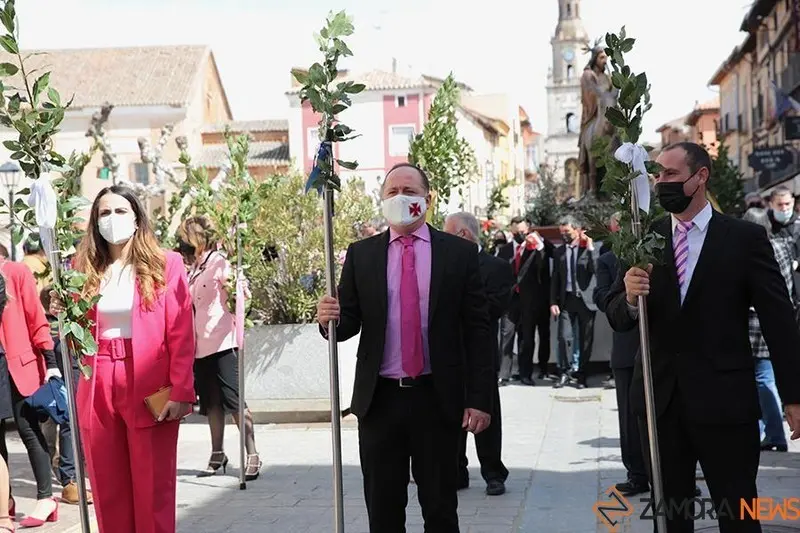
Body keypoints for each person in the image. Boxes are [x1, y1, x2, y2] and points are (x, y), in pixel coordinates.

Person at [604, 142, 800, 533]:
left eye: (672, 175)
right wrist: (628, 295)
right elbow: (617, 314)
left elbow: (780, 320)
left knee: (738, 514)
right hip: (661, 404)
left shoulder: (744, 239)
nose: (662, 184)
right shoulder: (645, 238)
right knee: (672, 518)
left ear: (701, 177)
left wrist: (794, 395)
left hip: (725, 404)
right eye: (658, 176)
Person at [316, 163, 494, 533]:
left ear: (427, 200)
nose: (400, 198)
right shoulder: (362, 255)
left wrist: (478, 398)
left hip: (438, 399)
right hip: (380, 402)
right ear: (382, 200)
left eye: (409, 191)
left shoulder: (458, 255)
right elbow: (347, 324)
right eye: (392, 191)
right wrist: (327, 317)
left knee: (441, 510)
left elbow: (478, 331)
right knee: (383, 512)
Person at [50, 185, 195, 533]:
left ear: (136, 217)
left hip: (148, 380)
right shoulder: (83, 268)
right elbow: (75, 338)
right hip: (98, 379)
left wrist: (180, 390)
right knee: (108, 487)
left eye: (119, 211)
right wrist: (61, 313)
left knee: (153, 488)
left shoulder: (166, 263)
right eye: (103, 213)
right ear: (94, 222)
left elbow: (181, 330)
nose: (111, 219)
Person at [176, 215, 261, 480]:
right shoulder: (196, 267)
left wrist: (239, 287)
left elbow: (239, 293)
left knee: (234, 400)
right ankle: (217, 453)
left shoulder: (220, 262)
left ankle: (252, 453)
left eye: (186, 236)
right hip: (200, 344)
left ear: (198, 237)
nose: (183, 242)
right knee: (210, 403)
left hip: (223, 341)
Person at [444, 212, 513, 496]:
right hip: (448, 352)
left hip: (480, 353)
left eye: (447, 234)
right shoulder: (444, 266)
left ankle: (493, 472)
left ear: (462, 236)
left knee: (485, 412)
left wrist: (466, 307)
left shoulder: (497, 267)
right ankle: (456, 470)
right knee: (451, 412)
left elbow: (495, 307)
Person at [0, 250, 62, 527]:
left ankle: (46, 497)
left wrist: (50, 362)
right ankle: (6, 500)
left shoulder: (16, 272)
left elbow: (36, 318)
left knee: (27, 429)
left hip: (18, 364)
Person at [742, 209, 793, 453]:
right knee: (762, 378)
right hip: (770, 319)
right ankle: (766, 431)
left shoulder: (760, 249)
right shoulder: (782, 246)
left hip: (757, 322)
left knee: (763, 378)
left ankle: (774, 433)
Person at [39, 287, 94, 505]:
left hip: (77, 355)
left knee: (76, 420)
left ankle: (74, 475)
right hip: (65, 360)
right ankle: (70, 480)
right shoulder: (52, 326)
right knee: (72, 419)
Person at [551, 215, 598, 389]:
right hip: (566, 300)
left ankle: (581, 374)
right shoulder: (559, 252)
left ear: (577, 230)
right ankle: (564, 372)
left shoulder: (588, 249)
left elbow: (596, 270)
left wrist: (591, 247)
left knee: (586, 339)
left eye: (567, 232)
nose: (564, 235)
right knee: (564, 337)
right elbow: (555, 278)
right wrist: (553, 302)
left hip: (586, 300)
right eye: (561, 232)